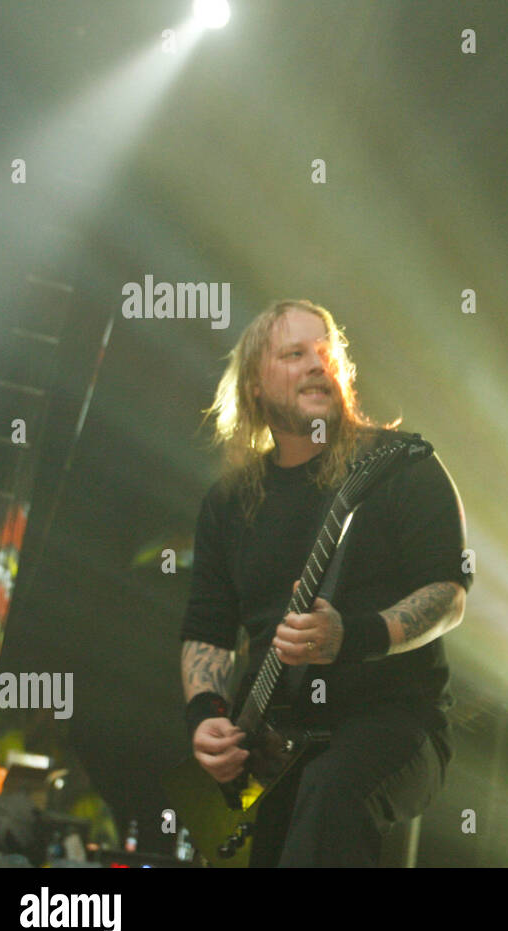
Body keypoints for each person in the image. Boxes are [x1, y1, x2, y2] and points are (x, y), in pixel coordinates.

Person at [178, 299, 471, 866]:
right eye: (294, 354)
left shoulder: (400, 463)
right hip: (269, 740)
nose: (317, 363)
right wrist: (206, 719)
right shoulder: (228, 503)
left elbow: (448, 595)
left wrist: (353, 636)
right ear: (255, 386)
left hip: (392, 719)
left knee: (332, 791)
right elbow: (207, 632)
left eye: (326, 352)